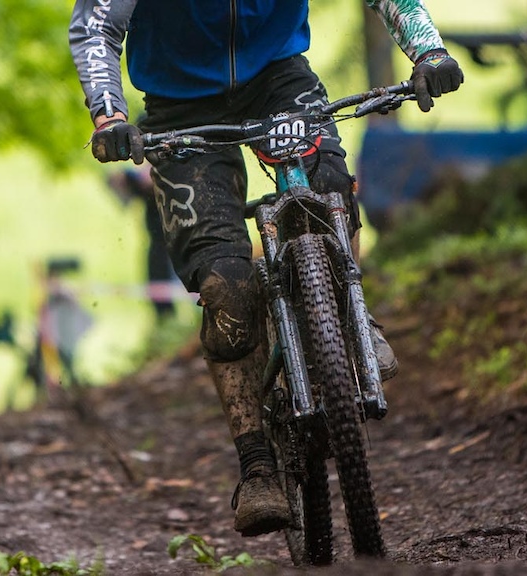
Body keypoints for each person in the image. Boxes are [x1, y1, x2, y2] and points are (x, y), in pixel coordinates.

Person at [69, 0, 463, 537]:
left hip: (278, 79)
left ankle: (350, 316)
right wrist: (109, 113)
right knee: (227, 288)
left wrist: (428, 51)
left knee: (325, 190)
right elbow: (95, 24)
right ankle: (256, 464)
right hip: (180, 103)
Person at [106, 162, 176, 319]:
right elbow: (115, 182)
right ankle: (167, 322)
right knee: (159, 292)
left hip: (180, 242)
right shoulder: (140, 180)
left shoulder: (173, 174)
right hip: (159, 245)